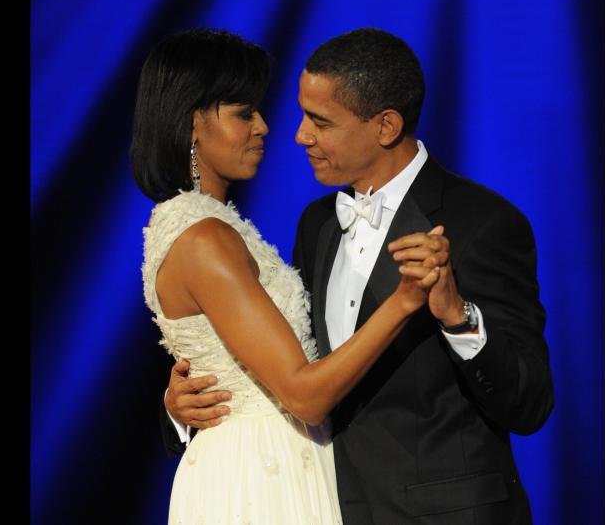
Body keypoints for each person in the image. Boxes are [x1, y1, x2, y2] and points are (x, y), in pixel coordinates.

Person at [165, 28, 555, 524]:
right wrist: (179, 405)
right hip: (326, 505)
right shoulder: (318, 223)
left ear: (386, 126)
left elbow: (531, 404)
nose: (299, 135)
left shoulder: (482, 223)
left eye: (319, 121)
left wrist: (458, 317)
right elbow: (289, 359)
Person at [131, 28, 444, 525]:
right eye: (242, 114)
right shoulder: (204, 239)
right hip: (261, 477)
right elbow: (305, 395)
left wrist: (176, 404)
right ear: (193, 122)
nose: (265, 127)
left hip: (275, 461)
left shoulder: (202, 226)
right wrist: (405, 301)